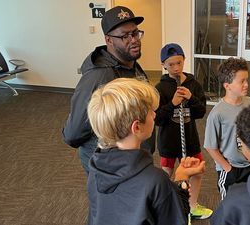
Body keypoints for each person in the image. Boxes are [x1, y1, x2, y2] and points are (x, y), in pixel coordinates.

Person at [86, 78, 206, 225]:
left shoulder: (95, 167)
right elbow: (176, 218)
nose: (155, 115)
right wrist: (181, 181)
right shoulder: (156, 180)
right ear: (136, 127)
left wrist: (179, 177)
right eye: (150, 112)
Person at [62, 6, 155, 174]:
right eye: (125, 36)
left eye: (135, 33)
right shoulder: (99, 77)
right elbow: (73, 134)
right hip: (113, 168)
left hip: (133, 159)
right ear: (109, 40)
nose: (134, 40)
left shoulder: (131, 65)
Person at [154, 43, 212, 220]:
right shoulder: (160, 88)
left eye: (179, 63)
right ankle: (165, 208)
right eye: (171, 64)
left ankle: (192, 205)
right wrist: (172, 104)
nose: (176, 68)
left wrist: (191, 98)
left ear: (184, 60)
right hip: (168, 140)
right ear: (163, 64)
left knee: (198, 171)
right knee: (166, 175)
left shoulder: (193, 84)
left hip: (190, 138)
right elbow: (157, 119)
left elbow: (200, 112)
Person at [204, 57, 250, 200]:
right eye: (242, 81)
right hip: (230, 169)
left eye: (247, 80)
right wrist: (227, 168)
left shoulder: (249, 103)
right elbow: (210, 146)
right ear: (227, 86)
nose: (246, 84)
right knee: (230, 207)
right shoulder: (217, 113)